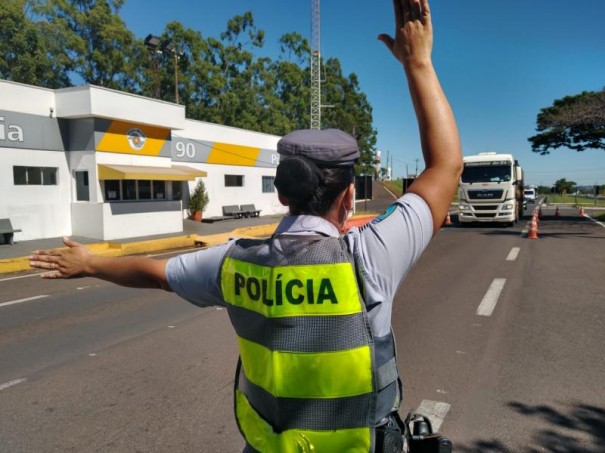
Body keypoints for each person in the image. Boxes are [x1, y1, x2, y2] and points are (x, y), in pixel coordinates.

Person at [30, 0, 462, 451]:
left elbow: (156, 275)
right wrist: (418, 62)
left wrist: (90, 262)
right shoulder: (369, 257)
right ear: (349, 197)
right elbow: (447, 167)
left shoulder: (235, 263)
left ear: (281, 195)